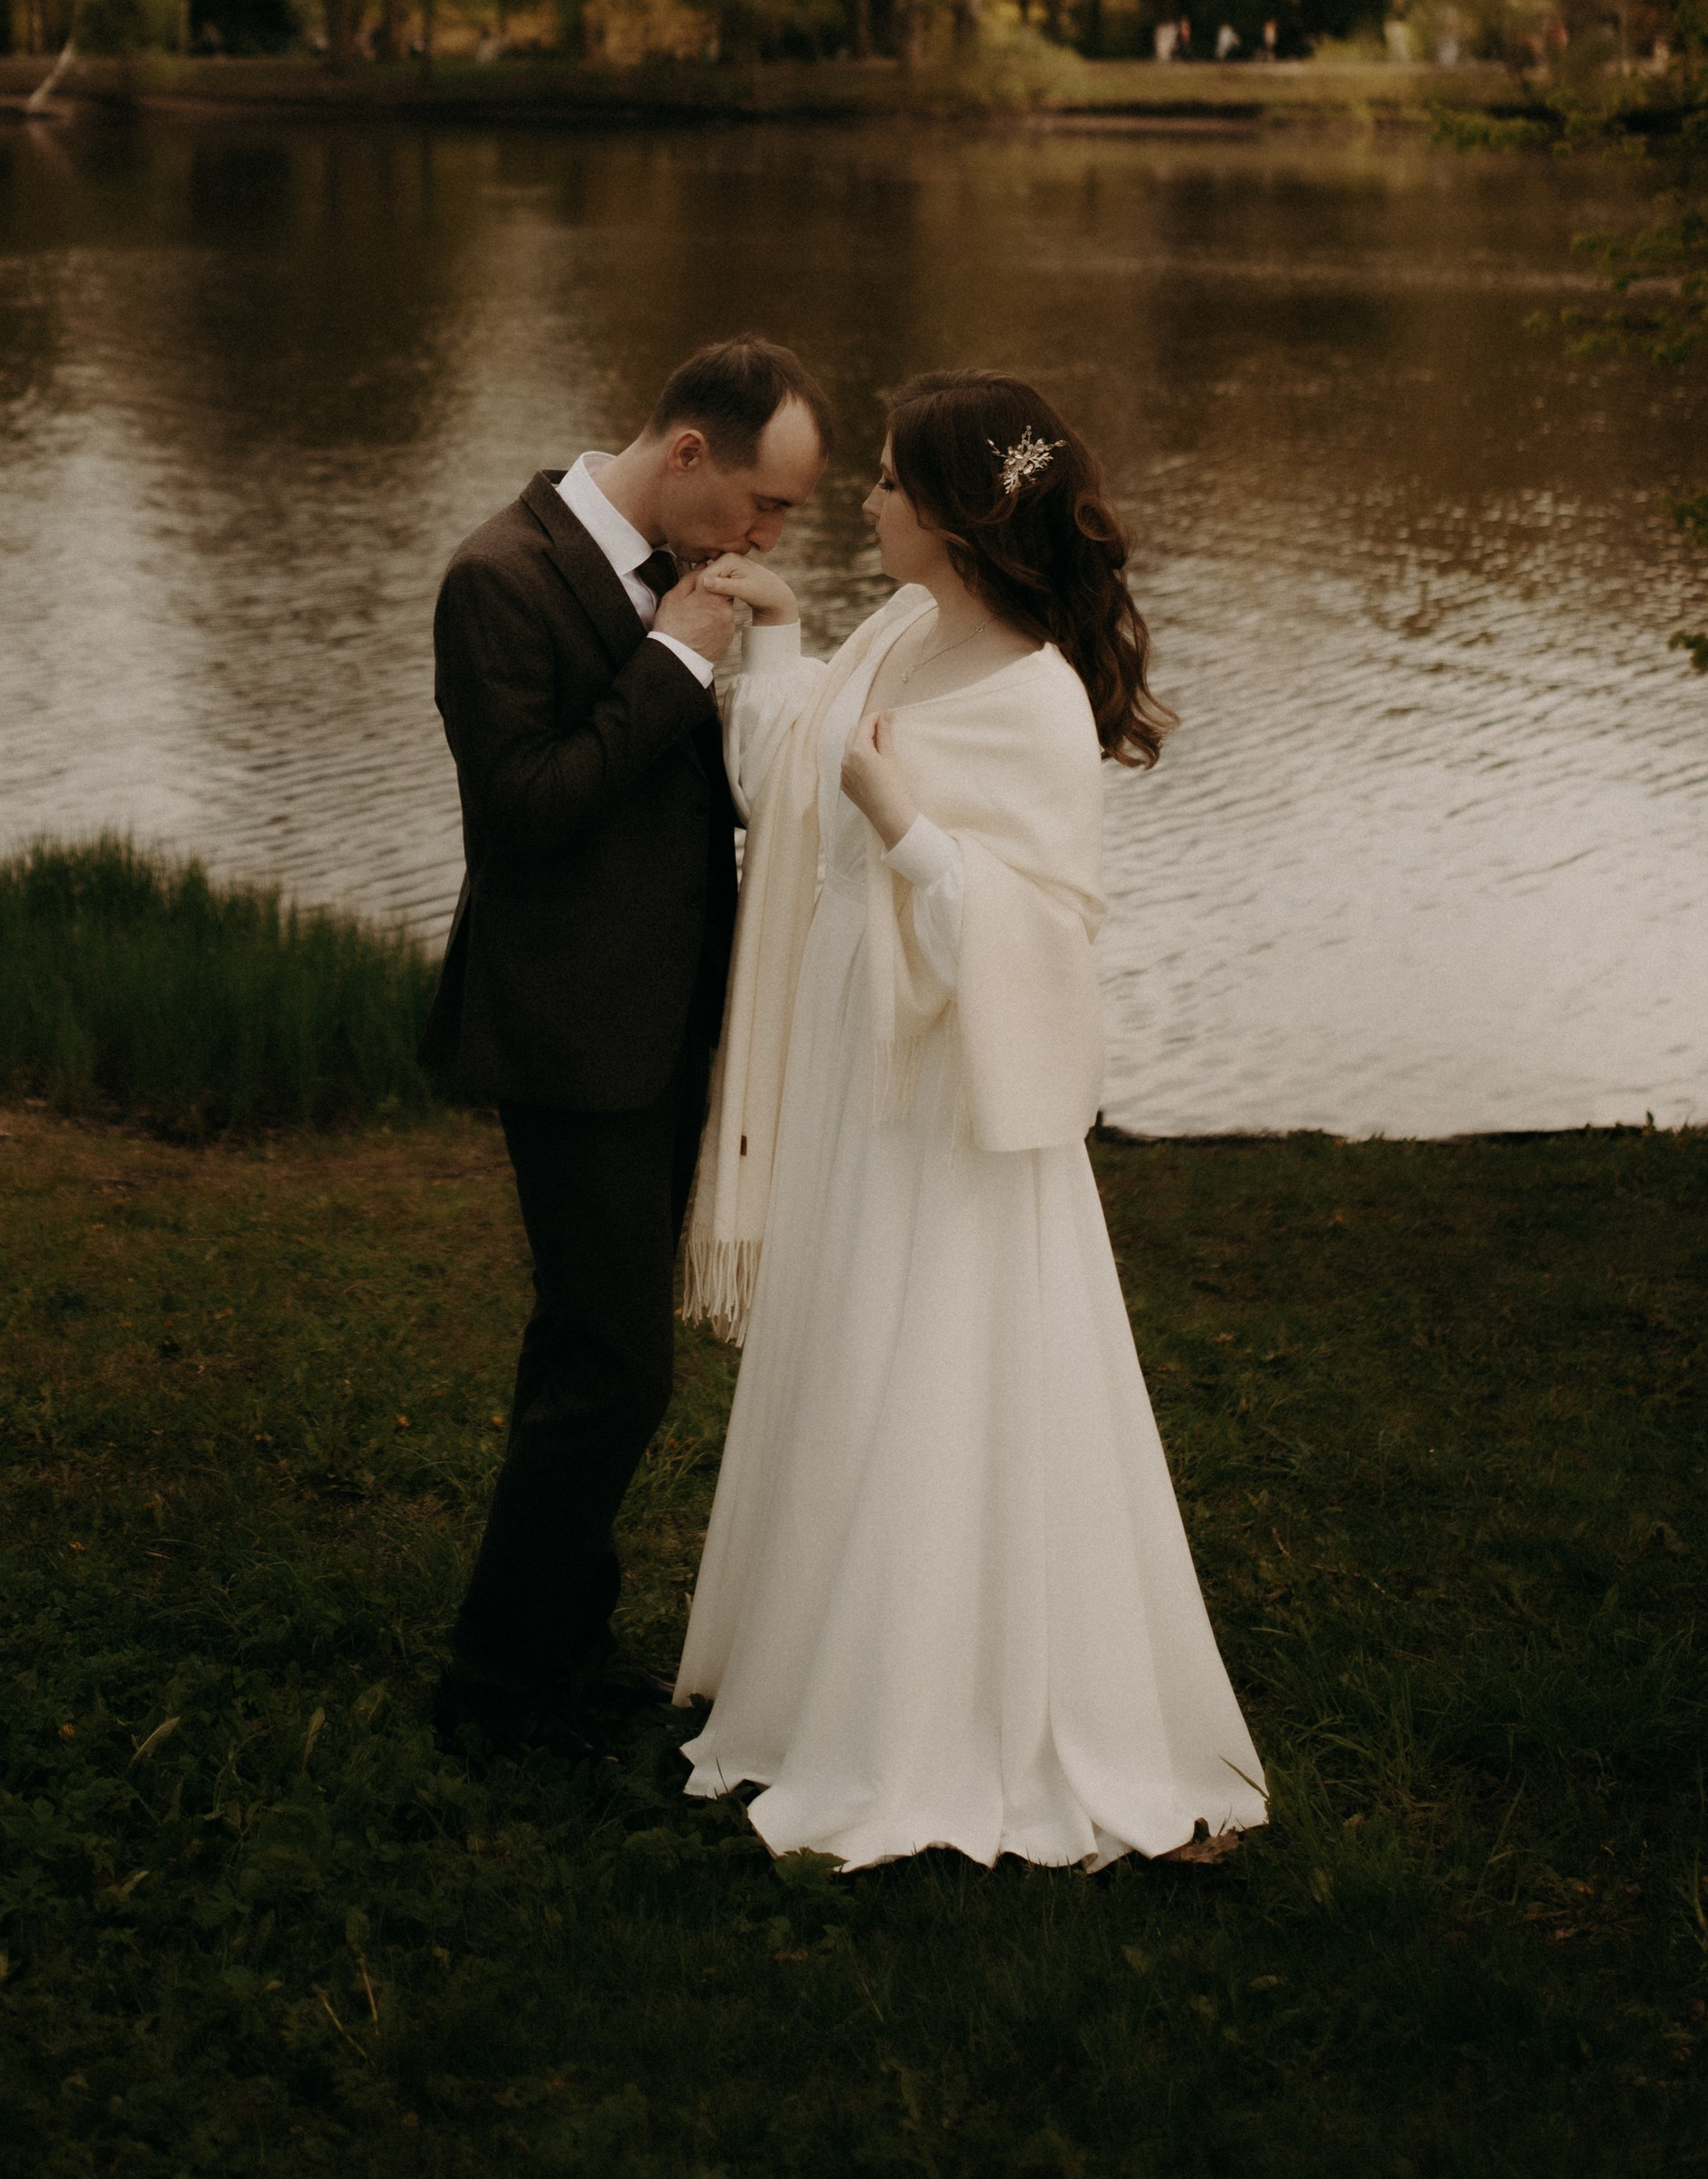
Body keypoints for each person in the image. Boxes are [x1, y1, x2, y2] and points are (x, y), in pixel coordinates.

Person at [671, 370, 1267, 1873]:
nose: (863, 502)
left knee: (938, 1350)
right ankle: (824, 1659)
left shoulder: (1039, 700)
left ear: (950, 513)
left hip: (952, 1095)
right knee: (851, 1337)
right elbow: (785, 778)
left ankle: (949, 1698)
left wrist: (905, 825)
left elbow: (1040, 931)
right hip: (858, 1072)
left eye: (882, 483)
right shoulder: (897, 631)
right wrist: (782, 641)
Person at [424, 334, 833, 1758]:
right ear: (687, 456)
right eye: (765, 506)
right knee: (618, 1365)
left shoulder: (674, 568)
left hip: (662, 1025)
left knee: (585, 1347)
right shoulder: (498, 576)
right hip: (566, 1031)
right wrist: (676, 658)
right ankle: (494, 1683)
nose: (771, 537)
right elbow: (528, 808)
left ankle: (560, 1639)